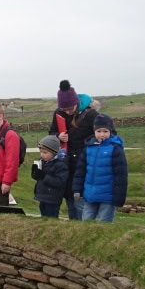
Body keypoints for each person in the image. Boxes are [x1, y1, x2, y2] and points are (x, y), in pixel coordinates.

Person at [48, 80, 97, 219]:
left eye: (71, 108)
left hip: (83, 163)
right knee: (70, 198)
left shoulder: (91, 115)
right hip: (65, 162)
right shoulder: (58, 114)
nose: (68, 112)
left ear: (76, 102)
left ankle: (84, 227)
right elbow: (51, 133)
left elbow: (102, 135)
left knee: (81, 200)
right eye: (65, 109)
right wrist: (58, 136)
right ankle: (73, 226)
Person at [72, 114, 127, 222]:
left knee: (104, 225)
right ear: (94, 131)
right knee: (86, 223)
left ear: (111, 131)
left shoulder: (115, 149)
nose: (102, 134)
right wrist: (77, 189)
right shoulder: (88, 148)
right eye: (99, 131)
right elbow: (80, 171)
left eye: (105, 131)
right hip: (89, 195)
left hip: (108, 197)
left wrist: (119, 197)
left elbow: (121, 175)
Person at [32, 135, 69, 219]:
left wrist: (43, 176)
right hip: (42, 196)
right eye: (41, 152)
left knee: (51, 219)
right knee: (43, 217)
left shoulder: (60, 164)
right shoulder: (43, 162)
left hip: (53, 198)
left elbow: (60, 182)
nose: (42, 155)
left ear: (54, 152)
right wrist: (35, 173)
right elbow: (38, 178)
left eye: (45, 153)